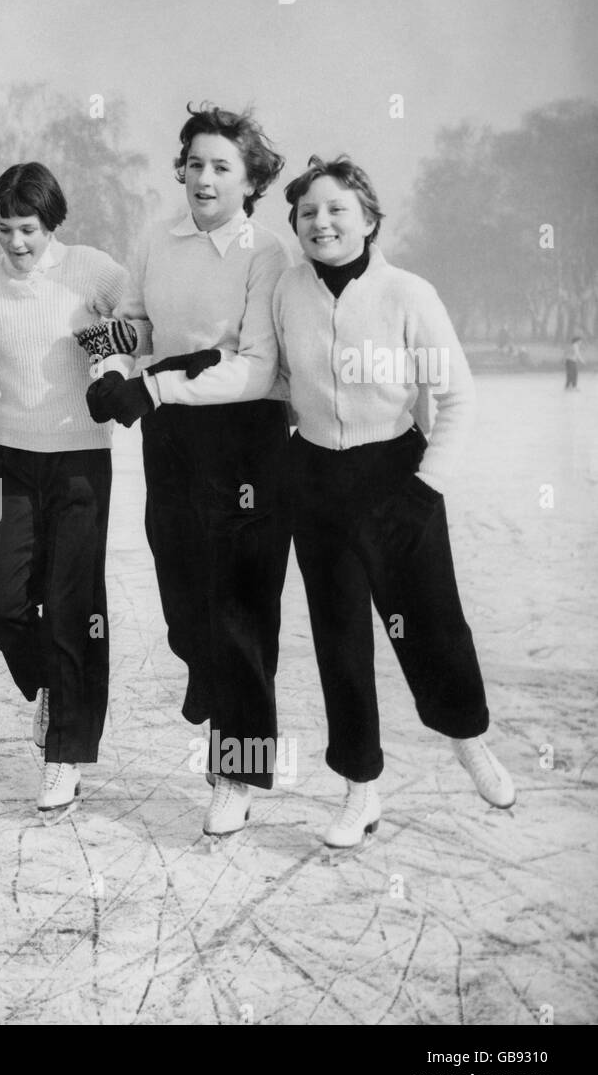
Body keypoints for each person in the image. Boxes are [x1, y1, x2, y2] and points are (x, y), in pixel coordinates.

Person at [274, 154, 515, 848]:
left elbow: (458, 396)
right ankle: (360, 788)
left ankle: (468, 738)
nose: (321, 222)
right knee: (339, 638)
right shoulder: (288, 290)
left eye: (336, 210)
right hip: (316, 479)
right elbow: (277, 375)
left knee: (433, 624)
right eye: (308, 212)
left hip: (396, 475)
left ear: (369, 219)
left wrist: (424, 486)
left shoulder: (409, 293)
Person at [85, 102, 293, 839]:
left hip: (247, 438)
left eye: (222, 167)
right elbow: (136, 322)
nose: (204, 178)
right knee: (184, 600)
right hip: (170, 436)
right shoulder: (157, 238)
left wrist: (155, 385)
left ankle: (235, 769)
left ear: (251, 179)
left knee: (241, 612)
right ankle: (209, 672)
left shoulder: (266, 252)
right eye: (195, 164)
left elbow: (257, 366)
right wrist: (116, 363)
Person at [0, 162, 126, 820]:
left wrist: (109, 349)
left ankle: (64, 756)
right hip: (7, 459)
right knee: (2, 608)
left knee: (73, 609)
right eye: (6, 229)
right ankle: (50, 683)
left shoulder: (92, 270)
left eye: (29, 229)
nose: (17, 243)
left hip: (79, 462)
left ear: (52, 224)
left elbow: (141, 326)